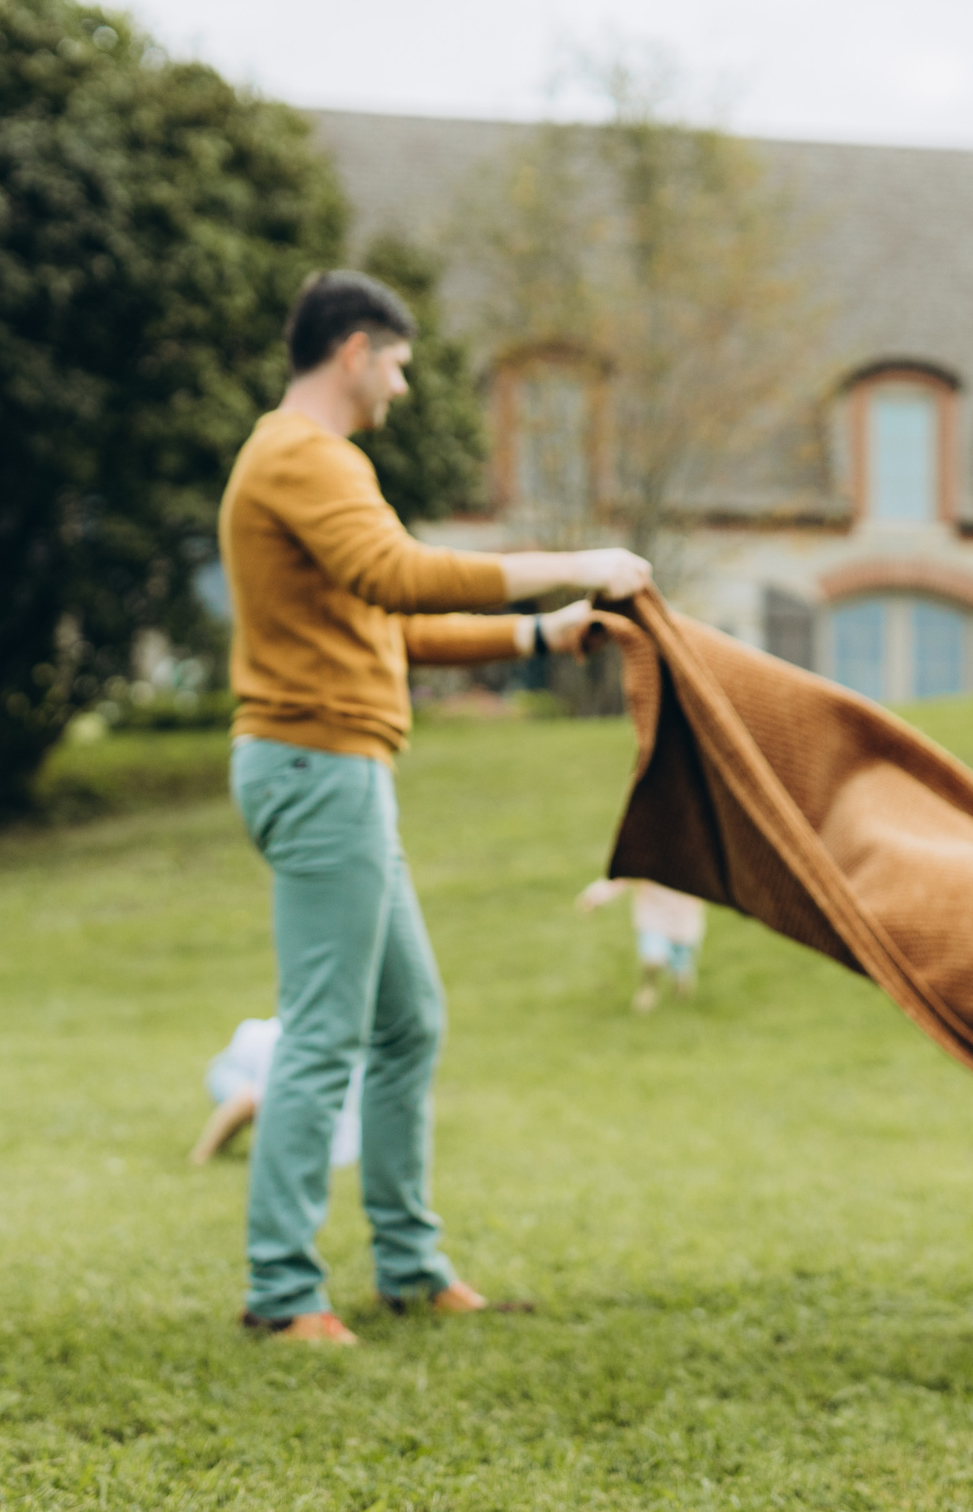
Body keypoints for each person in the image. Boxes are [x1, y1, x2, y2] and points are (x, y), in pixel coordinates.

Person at [219, 269, 652, 1346]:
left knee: (408, 1025)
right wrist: (579, 563)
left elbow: (386, 623)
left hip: (339, 767)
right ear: (358, 350)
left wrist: (541, 634)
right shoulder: (301, 455)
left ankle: (407, 1265)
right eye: (401, 365)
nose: (404, 388)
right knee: (325, 1036)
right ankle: (281, 1293)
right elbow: (401, 575)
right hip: (318, 765)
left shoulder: (314, 465)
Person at [189, 1016, 363, 1168]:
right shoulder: (288, 1054)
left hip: (292, 1076)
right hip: (234, 1066)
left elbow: (346, 1143)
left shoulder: (351, 1072)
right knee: (254, 1101)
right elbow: (248, 1100)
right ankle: (201, 1156)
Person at [576, 877, 707, 1012]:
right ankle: (649, 988)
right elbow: (621, 878)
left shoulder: (695, 864)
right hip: (653, 921)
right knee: (653, 958)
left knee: (681, 966)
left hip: (684, 925)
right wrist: (594, 897)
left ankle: (680, 980)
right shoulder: (646, 861)